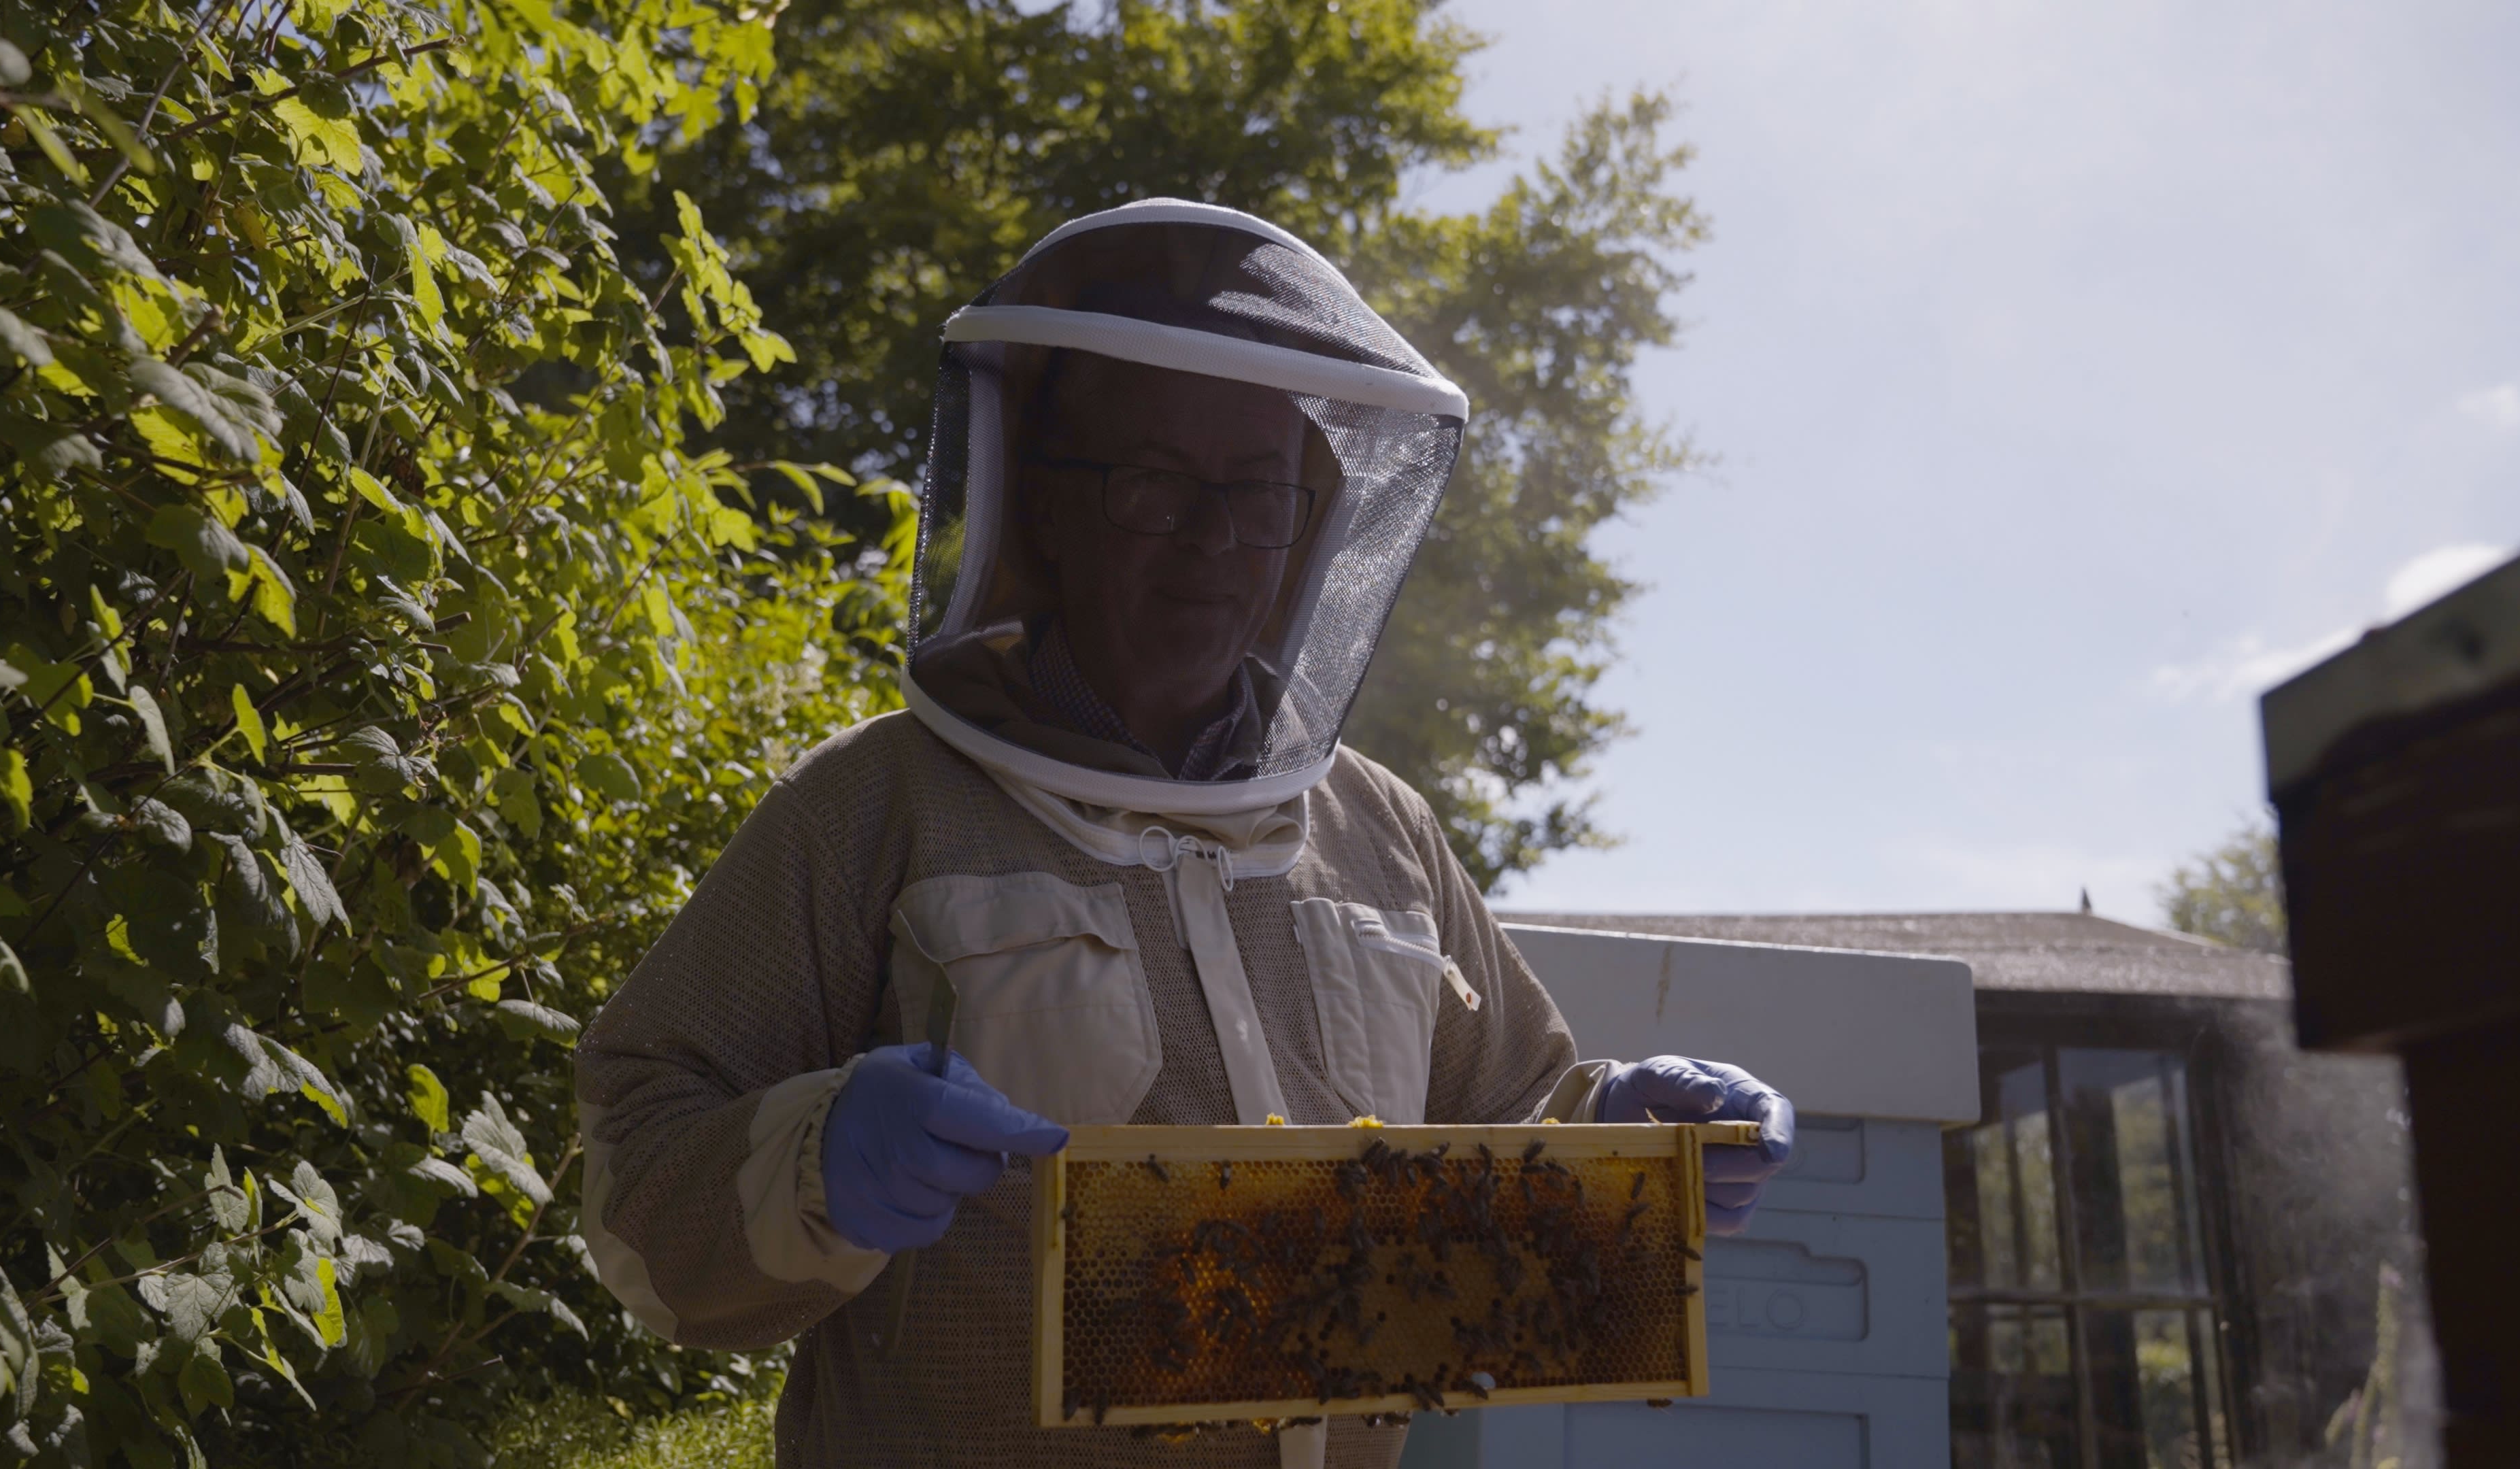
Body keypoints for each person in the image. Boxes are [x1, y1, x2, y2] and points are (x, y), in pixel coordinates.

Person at [575, 200, 1795, 1469]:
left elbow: (1509, 1108)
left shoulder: (1383, 829)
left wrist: (1635, 1147)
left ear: (1309, 528)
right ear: (1043, 508)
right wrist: (817, 1157)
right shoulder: (876, 806)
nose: (1215, 537)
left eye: (1258, 491)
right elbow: (635, 1181)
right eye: (1155, 483)